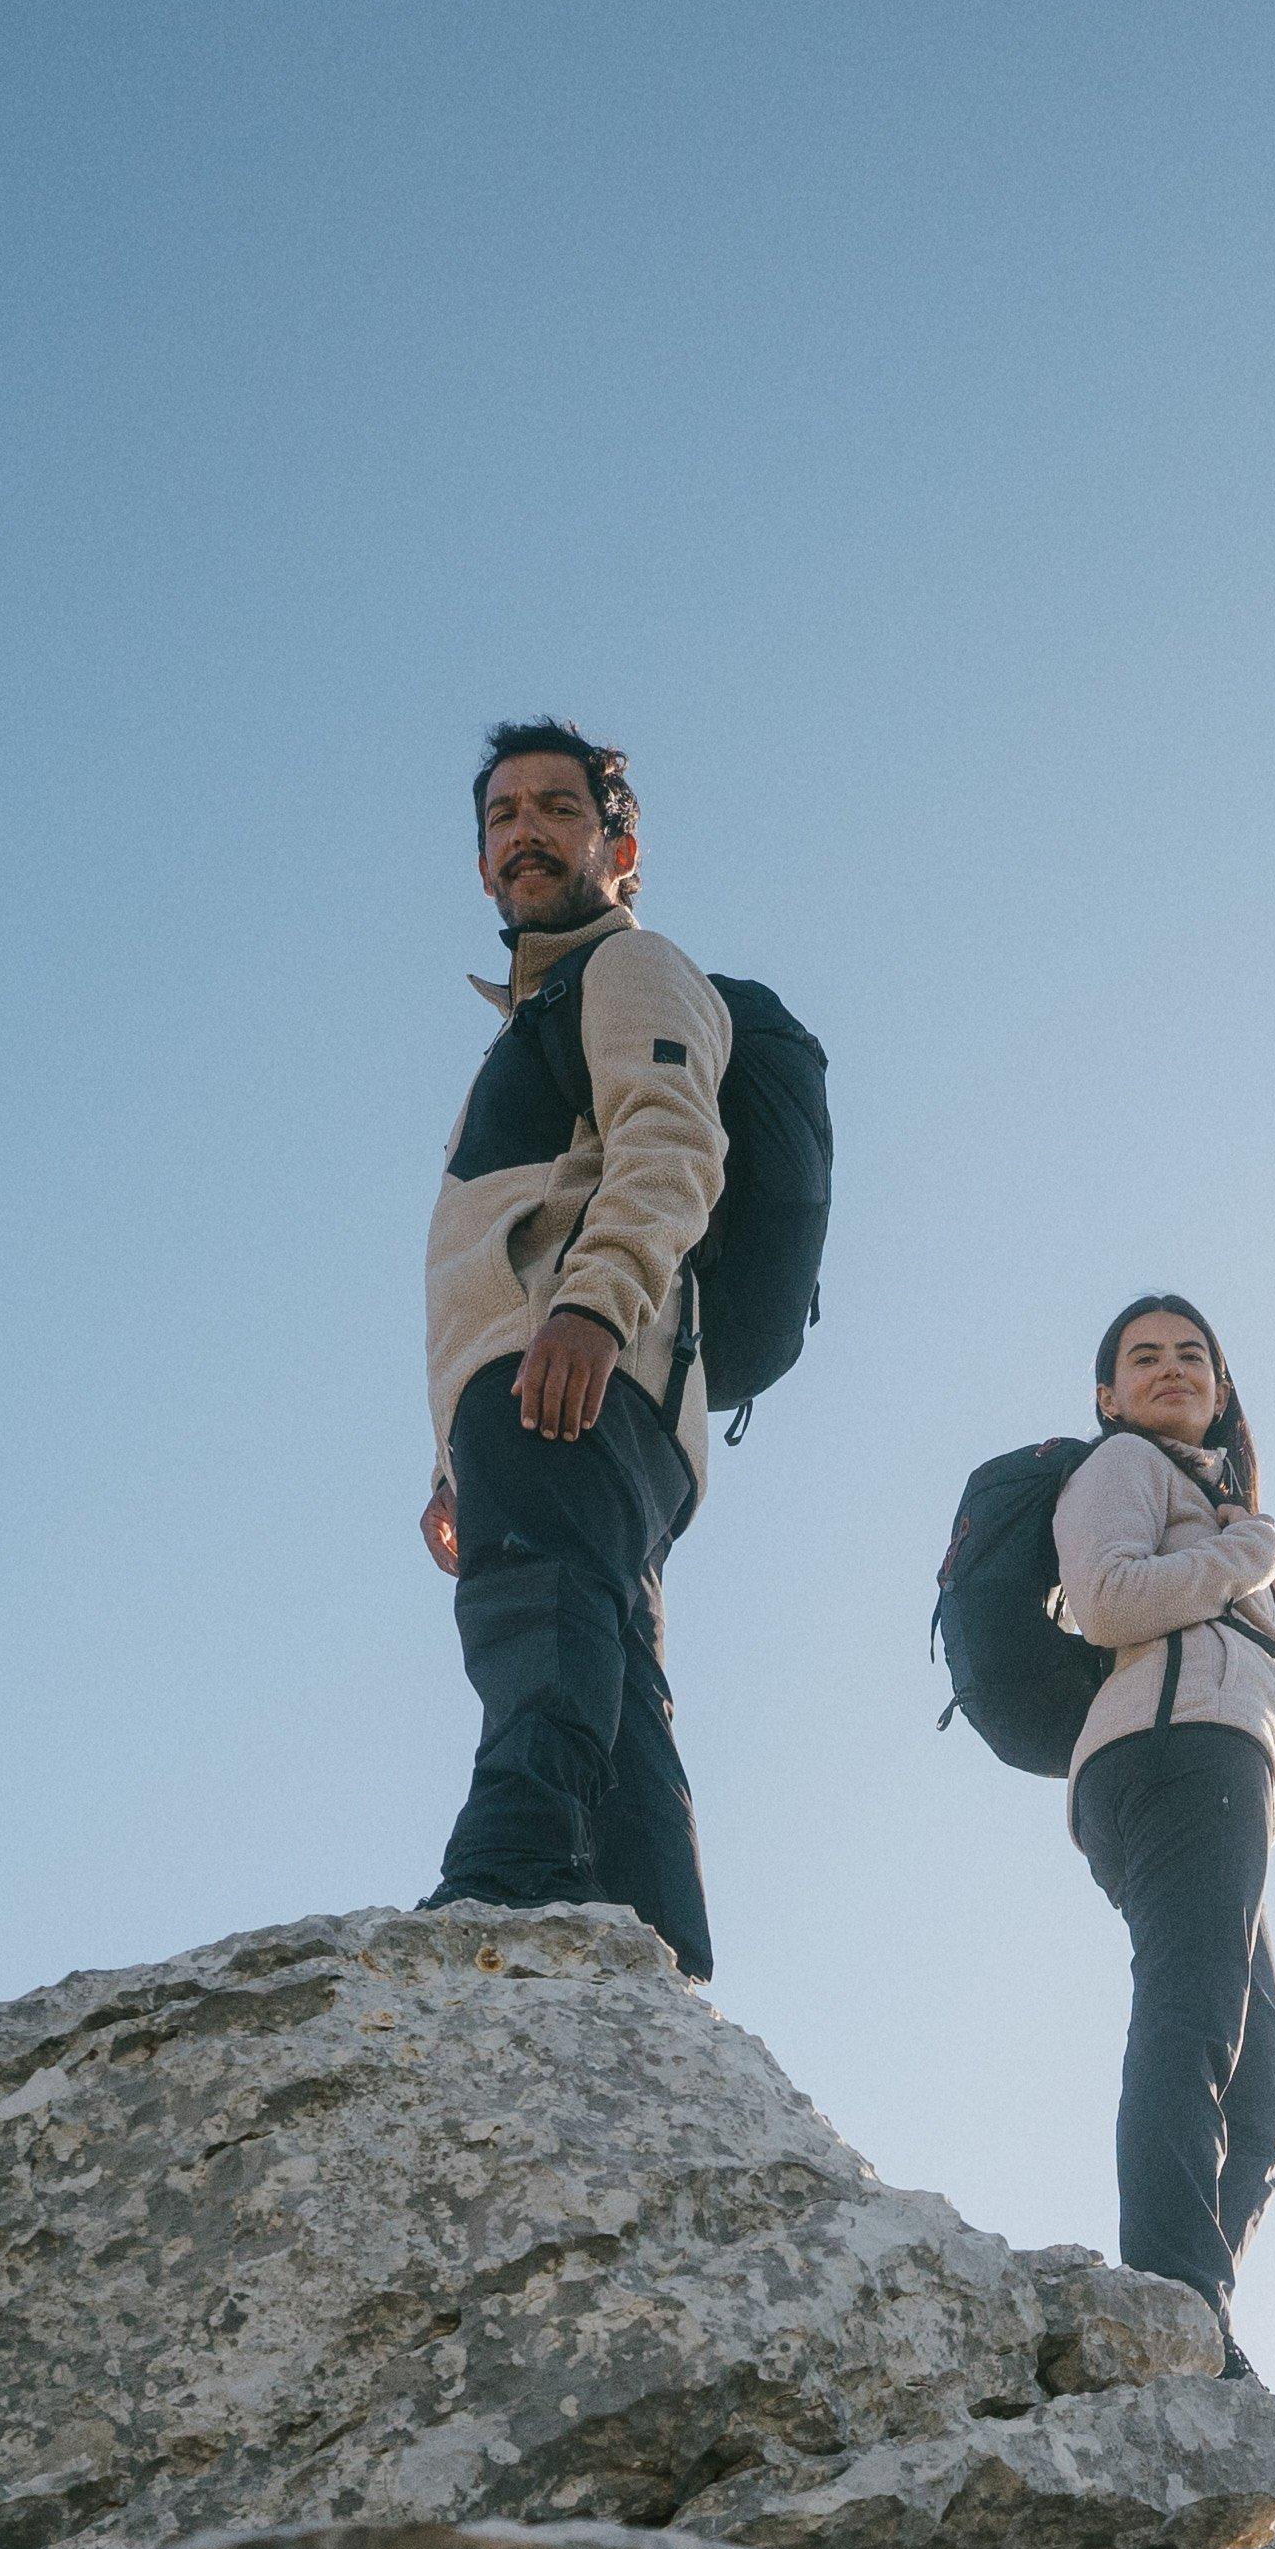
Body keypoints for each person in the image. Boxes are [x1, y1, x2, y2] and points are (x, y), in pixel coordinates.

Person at [417, 719, 727, 1980]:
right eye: (501, 817)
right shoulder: (535, 1020)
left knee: (538, 1619)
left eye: (556, 808)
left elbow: (671, 1143)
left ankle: (502, 1885)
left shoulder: (629, 970)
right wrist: (452, 1458)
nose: (524, 832)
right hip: (570, 1380)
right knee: (614, 1668)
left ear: (620, 846)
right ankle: (655, 1959)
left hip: (578, 1362)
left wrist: (593, 1308)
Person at [1042, 1291, 1275, 2346]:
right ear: (1107, 1395)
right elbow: (1109, 1598)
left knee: (1264, 2097)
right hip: (1166, 1759)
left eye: (1193, 1356)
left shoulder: (1212, 1505)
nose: (1173, 1369)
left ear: (1219, 1391)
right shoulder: (1118, 1470)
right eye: (1145, 1357)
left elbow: (1259, 1672)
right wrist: (1244, 1559)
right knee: (1192, 2014)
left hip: (1222, 1768)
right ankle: (1173, 2305)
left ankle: (1190, 2317)